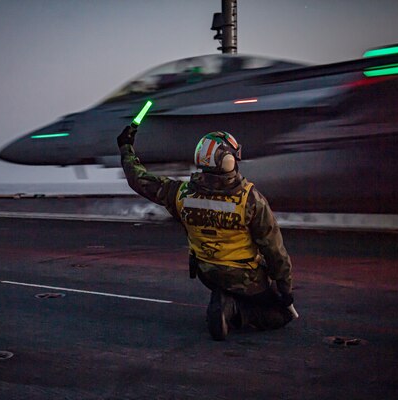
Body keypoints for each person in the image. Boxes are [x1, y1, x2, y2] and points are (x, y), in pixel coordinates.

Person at [117, 125, 295, 341]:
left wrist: (126, 148)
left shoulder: (181, 193)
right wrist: (285, 289)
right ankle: (235, 310)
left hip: (206, 272)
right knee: (281, 316)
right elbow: (274, 249)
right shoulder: (250, 199)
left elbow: (139, 180)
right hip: (245, 276)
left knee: (236, 285)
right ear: (228, 161)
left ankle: (225, 296)